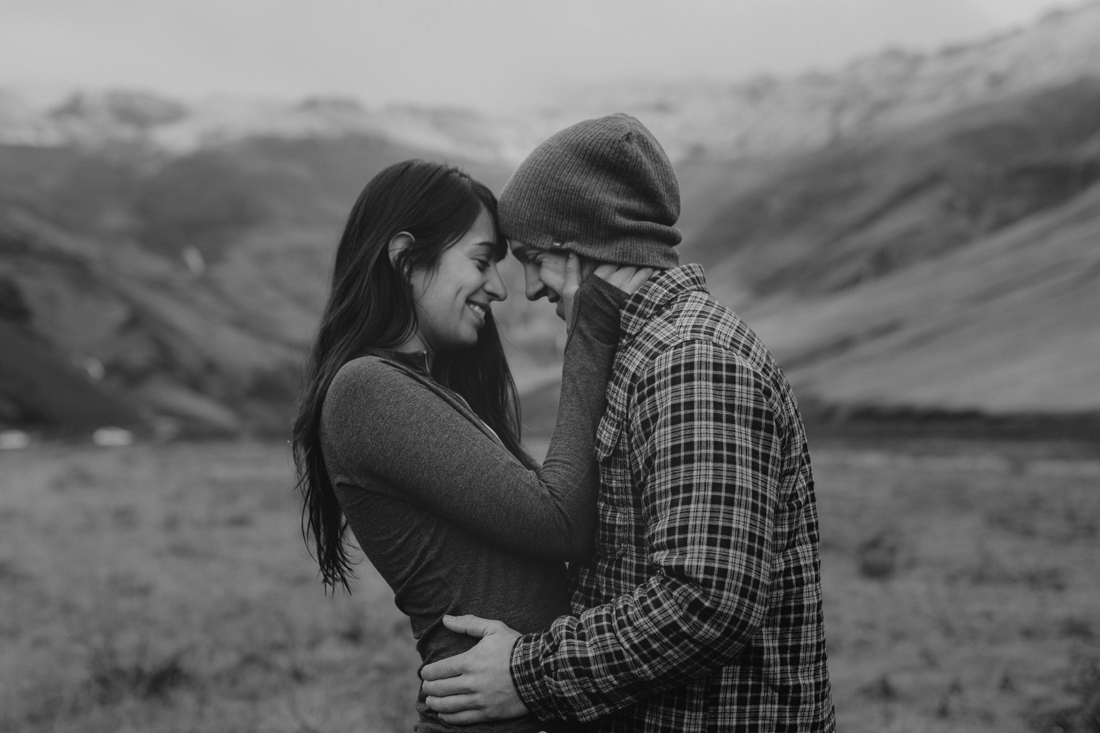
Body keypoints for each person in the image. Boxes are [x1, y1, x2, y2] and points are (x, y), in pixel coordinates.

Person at [421, 115, 836, 731]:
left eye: (537, 258)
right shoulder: (646, 353)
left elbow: (706, 602)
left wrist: (526, 674)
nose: (530, 287)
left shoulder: (693, 360)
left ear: (585, 244)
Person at [291, 159, 652, 733]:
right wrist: (589, 336)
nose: (499, 286)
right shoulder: (368, 390)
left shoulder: (425, 389)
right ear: (406, 257)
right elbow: (558, 518)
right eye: (482, 261)